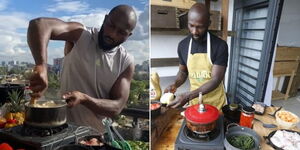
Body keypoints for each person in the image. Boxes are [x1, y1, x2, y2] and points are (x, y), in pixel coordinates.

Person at [27, 5, 137, 132]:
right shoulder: (81, 35)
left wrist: (85, 99)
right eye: (111, 25)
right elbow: (40, 24)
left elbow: (117, 107)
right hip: (60, 130)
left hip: (95, 137)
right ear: (105, 19)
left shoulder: (125, 62)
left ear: (129, 35)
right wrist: (41, 66)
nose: (112, 34)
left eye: (121, 32)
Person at [165, 3, 228, 110]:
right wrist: (175, 84)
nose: (194, 31)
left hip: (216, 103)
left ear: (208, 24)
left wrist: (188, 96)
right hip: (194, 103)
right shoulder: (183, 45)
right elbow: (183, 72)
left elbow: (216, 80)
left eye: (200, 27)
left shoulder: (220, 46)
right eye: (191, 25)